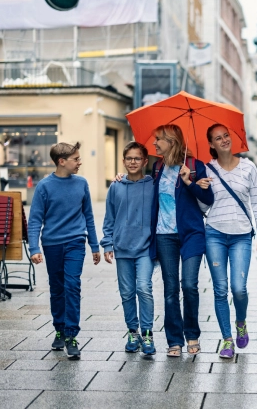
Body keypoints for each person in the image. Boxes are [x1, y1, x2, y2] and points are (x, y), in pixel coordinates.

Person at [196, 124, 257, 359]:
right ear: (211, 145)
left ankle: (241, 322)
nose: (224, 140)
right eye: (218, 137)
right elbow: (204, 207)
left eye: (226, 135)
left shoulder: (249, 167)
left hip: (242, 236)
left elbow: (256, 203)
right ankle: (227, 340)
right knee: (220, 290)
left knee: (238, 289)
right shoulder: (206, 169)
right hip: (214, 234)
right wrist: (199, 189)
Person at [28, 142, 100, 360]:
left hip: (76, 242)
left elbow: (88, 215)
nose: (79, 162)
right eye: (76, 159)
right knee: (57, 288)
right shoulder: (44, 186)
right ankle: (59, 328)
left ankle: (71, 335)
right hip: (52, 244)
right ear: (62, 161)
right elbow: (34, 220)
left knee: (72, 285)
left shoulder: (82, 183)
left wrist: (94, 245)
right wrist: (34, 248)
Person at [150, 124, 214, 357]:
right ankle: (174, 340)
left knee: (189, 285)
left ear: (172, 141)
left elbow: (208, 198)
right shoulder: (157, 167)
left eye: (159, 139)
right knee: (170, 288)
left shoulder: (196, 166)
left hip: (192, 233)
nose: (155, 143)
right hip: (164, 235)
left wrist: (189, 181)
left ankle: (193, 335)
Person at [100, 141, 156, 356]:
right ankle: (133, 332)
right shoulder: (115, 186)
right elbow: (109, 217)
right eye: (129, 158)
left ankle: (148, 334)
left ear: (145, 161)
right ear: (123, 161)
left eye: (137, 158)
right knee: (126, 293)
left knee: (143, 288)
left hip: (145, 247)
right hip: (122, 246)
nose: (133, 162)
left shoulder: (153, 185)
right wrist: (107, 242)